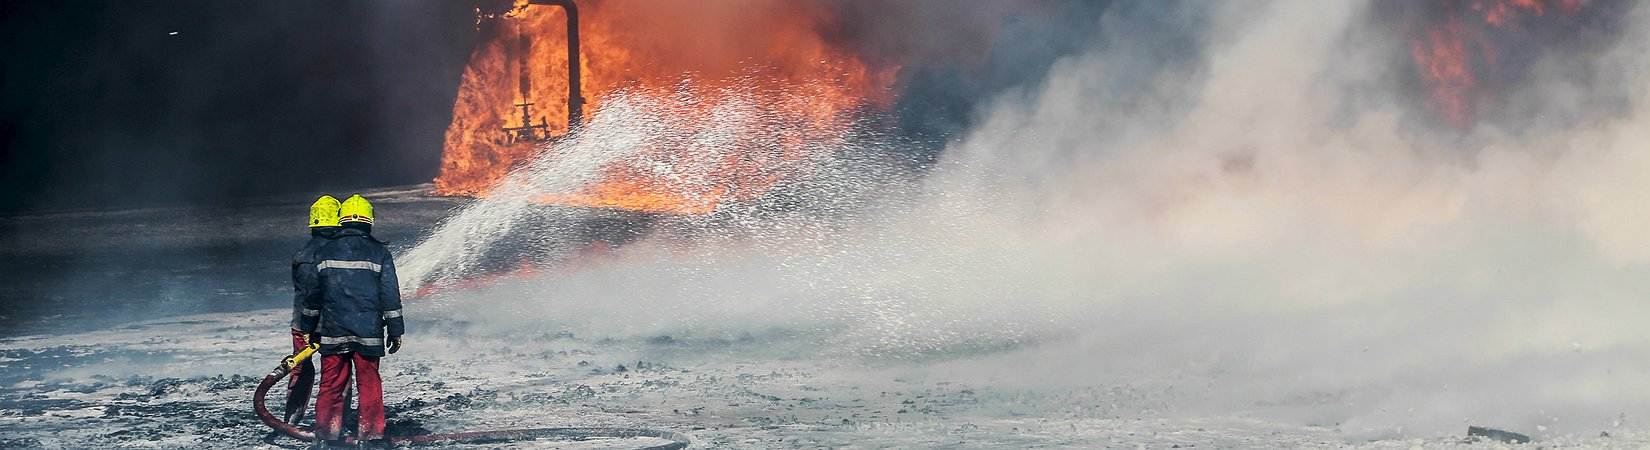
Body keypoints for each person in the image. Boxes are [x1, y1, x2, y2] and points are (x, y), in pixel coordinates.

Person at [298, 194, 404, 448]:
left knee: (331, 383)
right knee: (369, 384)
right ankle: (372, 437)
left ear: (342, 221)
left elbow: (313, 294)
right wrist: (396, 329)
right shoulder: (380, 252)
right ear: (369, 221)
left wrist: (307, 327)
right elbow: (390, 293)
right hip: (368, 331)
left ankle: (326, 435)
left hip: (334, 330)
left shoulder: (324, 251)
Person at [285, 195, 341, 425]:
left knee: (300, 370)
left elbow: (301, 290)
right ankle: (332, 420)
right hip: (330, 325)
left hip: (301, 325)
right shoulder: (338, 254)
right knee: (335, 375)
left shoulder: (301, 254)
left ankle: (291, 418)